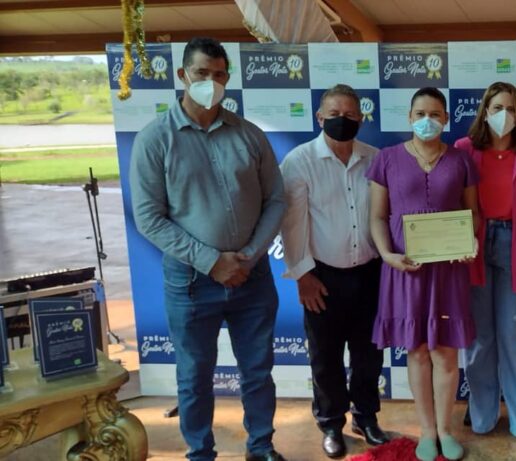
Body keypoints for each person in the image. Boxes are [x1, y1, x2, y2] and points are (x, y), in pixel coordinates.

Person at [129, 37, 286, 461]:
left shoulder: (250, 135)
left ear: (227, 78)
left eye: (219, 75)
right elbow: (149, 218)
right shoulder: (155, 139)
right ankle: (200, 452)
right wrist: (212, 262)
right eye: (201, 73)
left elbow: (276, 200)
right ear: (183, 75)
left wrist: (249, 256)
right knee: (194, 376)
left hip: (252, 276)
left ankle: (261, 446)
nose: (210, 82)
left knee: (258, 371)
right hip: (191, 281)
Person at [367, 87, 479, 461]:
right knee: (416, 351)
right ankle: (427, 432)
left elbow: (473, 214)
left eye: (434, 113)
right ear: (410, 117)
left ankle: (446, 430)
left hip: (449, 271)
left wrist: (470, 240)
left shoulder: (462, 161)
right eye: (420, 113)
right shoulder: (386, 159)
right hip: (406, 271)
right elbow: (377, 216)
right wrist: (387, 255)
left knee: (445, 353)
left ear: (446, 118)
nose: (427, 120)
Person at [279, 84, 390, 459]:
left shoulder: (375, 159)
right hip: (322, 277)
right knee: (325, 357)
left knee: (368, 355)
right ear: (319, 117)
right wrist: (303, 276)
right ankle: (330, 424)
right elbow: (292, 225)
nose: (343, 120)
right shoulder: (299, 161)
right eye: (334, 114)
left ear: (361, 117)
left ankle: (366, 418)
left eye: (350, 114)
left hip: (371, 274)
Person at [454, 81, 516, 439]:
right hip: (476, 246)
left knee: (512, 335)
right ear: (485, 111)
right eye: (497, 108)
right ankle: (483, 414)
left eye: (511, 108)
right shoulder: (465, 149)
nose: (504, 115)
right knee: (479, 338)